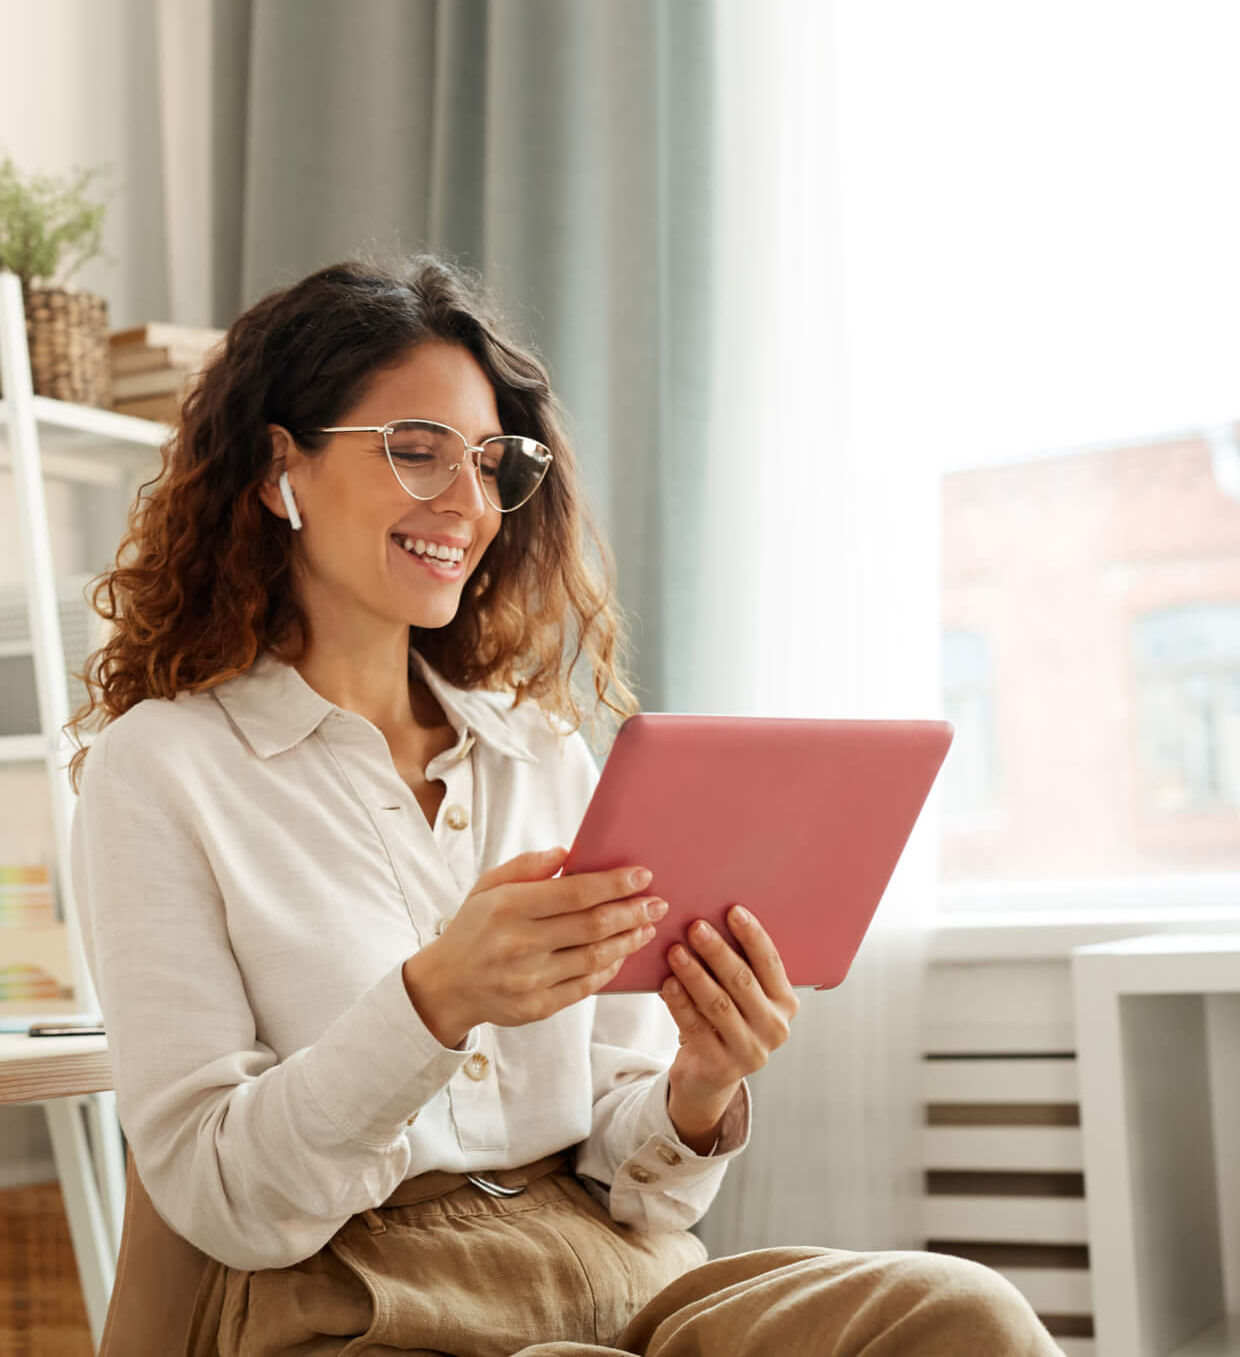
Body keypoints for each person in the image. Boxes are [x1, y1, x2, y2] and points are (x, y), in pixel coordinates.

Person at [66, 253, 1055, 1355]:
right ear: (273, 469)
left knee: (964, 1316)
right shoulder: (161, 771)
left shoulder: (535, 755)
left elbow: (633, 1179)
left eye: (493, 464)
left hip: (614, 1273)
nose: (465, 502)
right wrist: (432, 1001)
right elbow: (221, 1194)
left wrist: (696, 1084)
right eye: (416, 451)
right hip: (357, 1295)